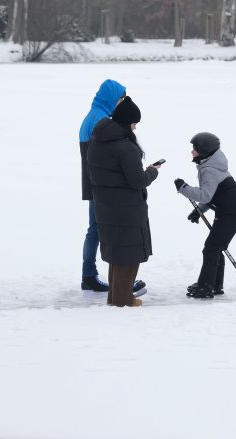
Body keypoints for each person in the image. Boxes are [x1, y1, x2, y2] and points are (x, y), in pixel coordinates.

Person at [86, 96, 160, 307]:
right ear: (127, 122)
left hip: (105, 206)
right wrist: (152, 172)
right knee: (129, 256)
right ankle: (123, 300)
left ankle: (115, 298)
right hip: (127, 209)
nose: (135, 127)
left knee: (117, 255)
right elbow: (137, 181)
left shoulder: (97, 141)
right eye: (134, 122)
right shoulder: (125, 148)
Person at [78, 79, 145, 296]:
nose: (121, 103)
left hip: (96, 184)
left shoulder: (95, 116)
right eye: (121, 99)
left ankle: (94, 275)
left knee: (97, 229)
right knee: (102, 230)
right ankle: (100, 278)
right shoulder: (99, 120)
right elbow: (102, 157)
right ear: (111, 99)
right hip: (101, 186)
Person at [174, 132, 236, 300]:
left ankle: (206, 286)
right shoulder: (210, 166)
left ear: (205, 150)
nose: (192, 152)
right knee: (215, 247)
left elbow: (205, 196)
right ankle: (214, 285)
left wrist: (183, 188)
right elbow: (212, 195)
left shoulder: (209, 170)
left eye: (195, 149)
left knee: (212, 248)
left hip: (231, 213)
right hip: (227, 211)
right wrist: (198, 211)